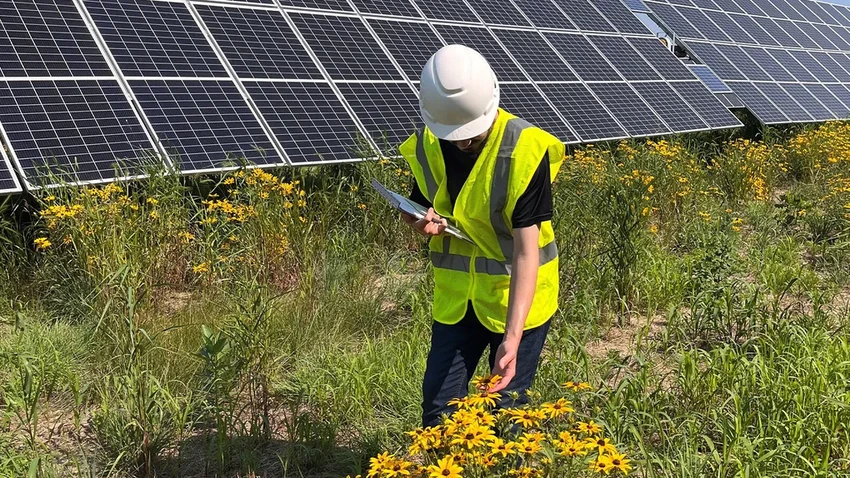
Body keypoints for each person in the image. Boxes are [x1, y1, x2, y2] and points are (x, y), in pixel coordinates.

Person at [398, 44, 565, 428]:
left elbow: (526, 253)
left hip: (517, 300)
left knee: (506, 413)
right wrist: (421, 223)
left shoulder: (525, 150)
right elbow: (421, 208)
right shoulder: (428, 142)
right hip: (459, 301)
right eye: (452, 136)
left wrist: (512, 337)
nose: (460, 144)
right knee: (439, 411)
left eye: (470, 136)